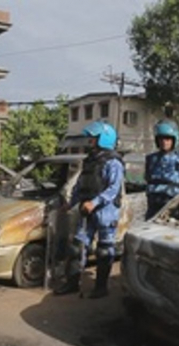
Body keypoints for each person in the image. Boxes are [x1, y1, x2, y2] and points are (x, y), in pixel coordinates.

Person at [54, 121, 124, 299]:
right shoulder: (89, 161)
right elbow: (80, 185)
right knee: (77, 247)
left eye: (94, 137)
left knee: (104, 250)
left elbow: (113, 189)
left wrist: (94, 202)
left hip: (105, 213)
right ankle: (72, 283)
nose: (90, 140)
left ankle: (101, 288)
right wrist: (71, 203)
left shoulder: (114, 163)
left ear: (104, 139)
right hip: (87, 211)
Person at [144, 120, 179, 219]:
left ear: (174, 140)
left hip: (172, 206)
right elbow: (148, 179)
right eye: (161, 139)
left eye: (168, 139)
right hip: (153, 204)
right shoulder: (151, 159)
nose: (164, 142)